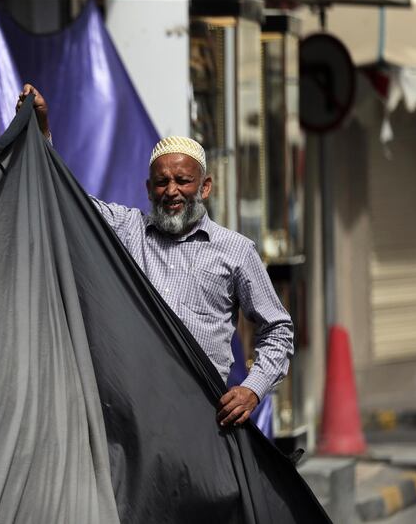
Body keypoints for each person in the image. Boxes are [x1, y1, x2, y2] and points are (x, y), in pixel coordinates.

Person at [17, 84, 293, 428]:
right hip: (132, 422)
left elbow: (278, 328)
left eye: (183, 180)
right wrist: (41, 131)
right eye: (162, 182)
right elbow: (64, 199)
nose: (172, 190)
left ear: (205, 187)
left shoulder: (234, 250)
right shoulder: (128, 229)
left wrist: (252, 389)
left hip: (203, 420)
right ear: (149, 189)